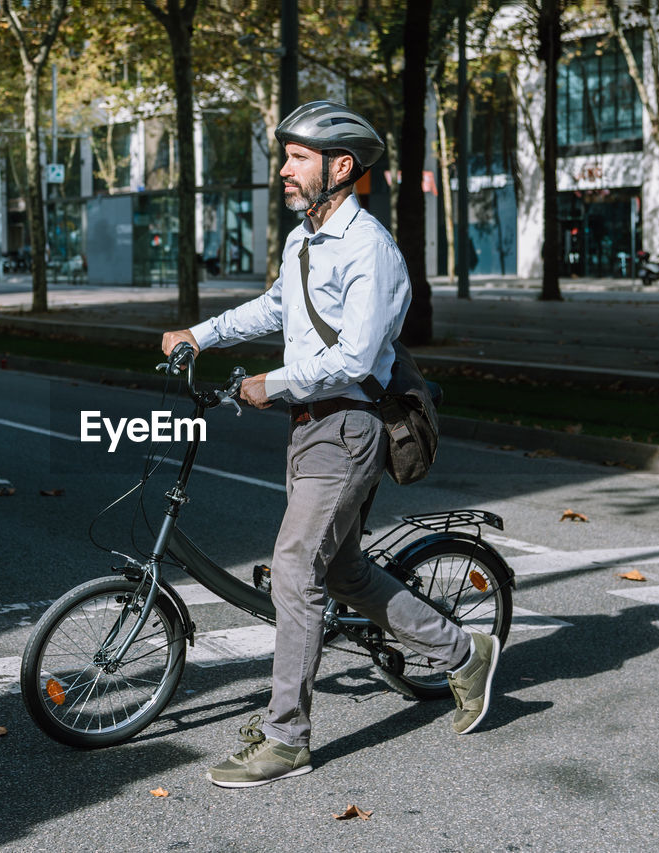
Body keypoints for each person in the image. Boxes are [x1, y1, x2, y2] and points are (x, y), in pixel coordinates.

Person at [161, 101, 499, 789]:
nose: (283, 169)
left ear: (340, 167)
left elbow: (355, 357)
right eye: (284, 156)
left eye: (296, 158)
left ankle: (286, 736)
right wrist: (203, 333)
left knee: (293, 567)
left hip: (349, 426)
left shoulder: (370, 249)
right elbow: (276, 308)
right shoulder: (305, 239)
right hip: (310, 427)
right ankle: (463, 651)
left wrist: (272, 381)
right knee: (341, 571)